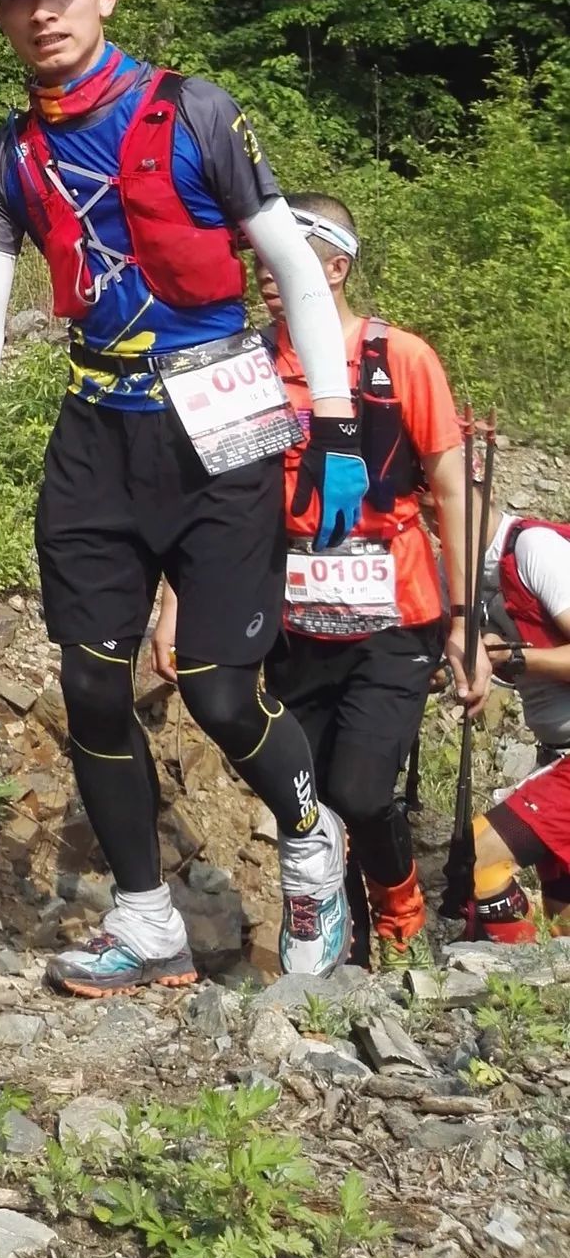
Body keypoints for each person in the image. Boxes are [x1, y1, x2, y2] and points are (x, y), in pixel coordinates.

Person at [0, 0, 370, 995]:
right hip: (97, 430)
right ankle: (145, 919)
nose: (42, 12)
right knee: (90, 681)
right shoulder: (7, 153)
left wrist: (336, 423)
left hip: (222, 422)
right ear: (0, 18)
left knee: (219, 689)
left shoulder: (197, 111)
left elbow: (292, 265)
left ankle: (310, 842)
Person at [154, 192, 491, 970]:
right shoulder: (246, 365)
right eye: (261, 259)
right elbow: (212, 499)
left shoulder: (402, 359)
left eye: (288, 257)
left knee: (364, 790)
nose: (266, 273)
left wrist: (466, 622)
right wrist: (174, 605)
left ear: (335, 268)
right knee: (307, 794)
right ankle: (340, 943)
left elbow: (452, 490)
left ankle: (401, 914)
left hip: (394, 609)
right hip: (289, 613)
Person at [466, 500, 570, 941]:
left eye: (438, 503)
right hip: (554, 755)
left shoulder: (534, 549)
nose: (434, 522)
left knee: (476, 858)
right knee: (565, 926)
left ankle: (515, 973)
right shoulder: (461, 574)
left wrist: (514, 658)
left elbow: (520, 658)